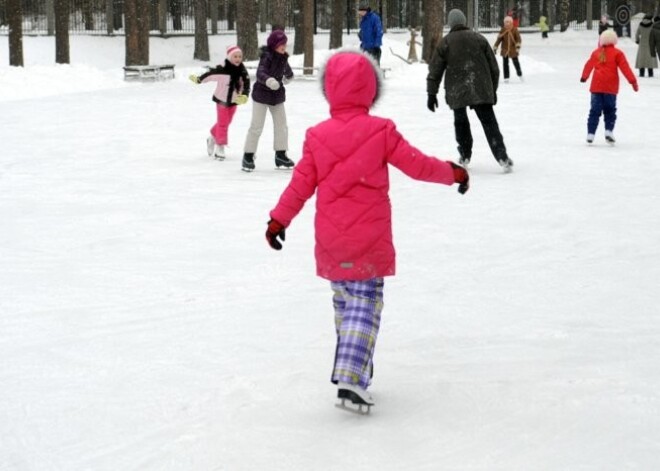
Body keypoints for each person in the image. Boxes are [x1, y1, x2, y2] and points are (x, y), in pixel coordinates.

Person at [265, 50, 469, 412]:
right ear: (371, 90)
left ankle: (358, 373)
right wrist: (452, 172)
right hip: (368, 239)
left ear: (330, 90)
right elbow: (417, 165)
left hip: (331, 241)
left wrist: (278, 220)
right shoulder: (380, 130)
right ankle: (351, 378)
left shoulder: (317, 135)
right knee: (365, 307)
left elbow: (299, 185)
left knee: (346, 307)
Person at [427, 9, 514, 173]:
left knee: (460, 122)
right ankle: (502, 156)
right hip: (480, 87)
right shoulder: (479, 38)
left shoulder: (446, 42)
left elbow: (435, 70)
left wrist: (431, 94)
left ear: (450, 23)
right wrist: (492, 91)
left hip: (456, 90)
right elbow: (494, 67)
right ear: (464, 21)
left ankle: (465, 155)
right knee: (489, 122)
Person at [242, 29, 295, 172]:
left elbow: (287, 71)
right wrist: (269, 80)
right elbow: (260, 73)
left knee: (281, 125)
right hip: (261, 95)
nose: (283, 46)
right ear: (273, 45)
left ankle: (281, 154)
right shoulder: (267, 56)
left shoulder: (283, 57)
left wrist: (289, 77)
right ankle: (248, 155)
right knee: (256, 126)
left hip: (277, 96)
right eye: (280, 44)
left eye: (284, 43)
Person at [189, 45, 250, 161]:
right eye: (235, 56)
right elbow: (210, 75)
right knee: (223, 124)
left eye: (240, 56)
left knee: (227, 122)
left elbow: (246, 83)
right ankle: (220, 147)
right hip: (221, 100)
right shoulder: (223, 69)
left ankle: (212, 137)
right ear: (229, 57)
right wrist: (199, 79)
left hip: (234, 101)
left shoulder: (242, 70)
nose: (238, 59)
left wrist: (245, 95)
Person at [580, 29, 638, 144]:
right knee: (610, 110)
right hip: (610, 88)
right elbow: (625, 68)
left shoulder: (596, 52)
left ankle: (590, 134)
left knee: (594, 111)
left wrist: (584, 77)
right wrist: (633, 82)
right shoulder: (618, 53)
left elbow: (589, 64)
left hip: (596, 87)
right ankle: (608, 131)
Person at [494, 16, 523, 82]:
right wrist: (495, 47)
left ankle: (520, 74)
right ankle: (506, 78)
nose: (507, 24)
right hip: (505, 50)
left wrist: (518, 46)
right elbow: (499, 40)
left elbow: (518, 39)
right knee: (505, 64)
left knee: (516, 63)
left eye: (508, 22)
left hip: (513, 50)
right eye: (505, 22)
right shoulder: (503, 30)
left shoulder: (514, 30)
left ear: (511, 22)